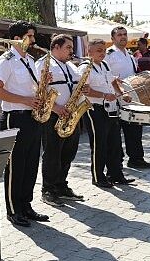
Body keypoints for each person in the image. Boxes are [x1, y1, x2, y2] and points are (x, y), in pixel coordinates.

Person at [0, 21, 49, 228]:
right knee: (16, 165)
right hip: (15, 116)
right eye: (30, 36)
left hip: (32, 116)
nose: (33, 40)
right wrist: (24, 100)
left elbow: (29, 88)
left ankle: (26, 205)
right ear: (17, 38)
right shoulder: (6, 60)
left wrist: (43, 83)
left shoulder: (30, 60)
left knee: (31, 163)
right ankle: (13, 210)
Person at [36, 34, 85, 207]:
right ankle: (48, 190)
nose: (72, 51)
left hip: (72, 114)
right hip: (54, 115)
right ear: (55, 47)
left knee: (68, 153)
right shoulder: (44, 63)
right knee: (52, 154)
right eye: (68, 47)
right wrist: (55, 107)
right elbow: (39, 90)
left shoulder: (71, 65)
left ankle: (61, 185)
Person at [78, 39, 136, 188]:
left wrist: (122, 94)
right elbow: (85, 90)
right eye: (98, 50)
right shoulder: (85, 67)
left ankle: (116, 174)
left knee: (115, 143)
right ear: (89, 52)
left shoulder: (104, 64)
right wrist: (104, 95)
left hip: (110, 108)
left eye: (103, 50)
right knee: (99, 144)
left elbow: (113, 81)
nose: (102, 53)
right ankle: (98, 177)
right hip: (94, 109)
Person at [105, 27, 150, 169]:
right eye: (119, 35)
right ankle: (116, 162)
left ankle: (136, 158)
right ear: (113, 38)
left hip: (131, 99)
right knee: (115, 133)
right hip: (116, 98)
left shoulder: (130, 55)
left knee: (135, 129)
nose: (123, 37)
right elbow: (106, 76)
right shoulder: (109, 54)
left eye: (125, 34)